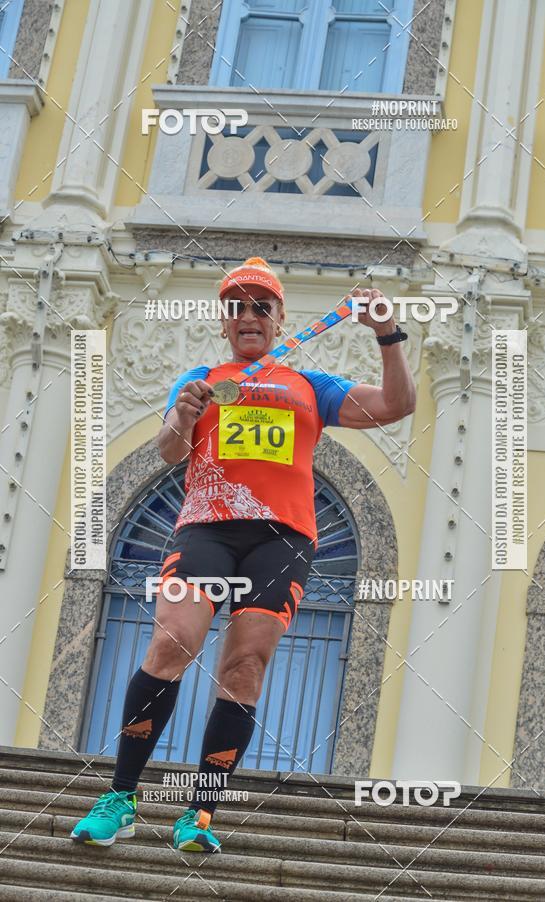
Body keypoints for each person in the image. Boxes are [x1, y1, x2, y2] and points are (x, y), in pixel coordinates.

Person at [71, 257, 416, 852]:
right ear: (225, 321)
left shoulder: (311, 385)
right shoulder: (201, 380)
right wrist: (184, 413)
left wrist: (387, 333)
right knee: (171, 641)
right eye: (238, 306)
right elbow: (169, 454)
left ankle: (200, 814)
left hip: (282, 539)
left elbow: (396, 405)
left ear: (280, 318)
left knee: (245, 668)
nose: (249, 314)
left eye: (261, 305)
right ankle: (122, 797)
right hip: (206, 528)